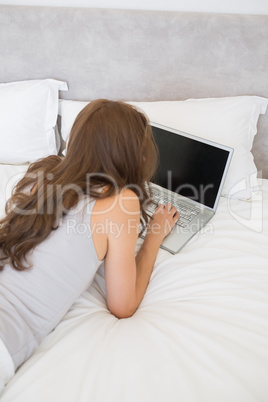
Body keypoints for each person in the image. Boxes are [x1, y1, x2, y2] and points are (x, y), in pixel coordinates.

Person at [0, 99, 179, 392]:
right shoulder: (122, 201)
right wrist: (154, 237)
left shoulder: (42, 173)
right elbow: (123, 306)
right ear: (133, 153)